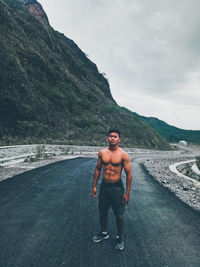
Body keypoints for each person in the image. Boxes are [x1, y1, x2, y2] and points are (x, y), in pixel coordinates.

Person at [92, 129, 132, 250]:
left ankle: (119, 237)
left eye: (115, 137)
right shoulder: (102, 152)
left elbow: (129, 174)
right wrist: (94, 185)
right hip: (104, 187)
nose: (112, 138)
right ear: (107, 138)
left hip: (116, 188)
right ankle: (104, 233)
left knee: (119, 215)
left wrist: (127, 194)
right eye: (110, 136)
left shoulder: (123, 154)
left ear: (119, 139)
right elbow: (98, 169)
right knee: (102, 212)